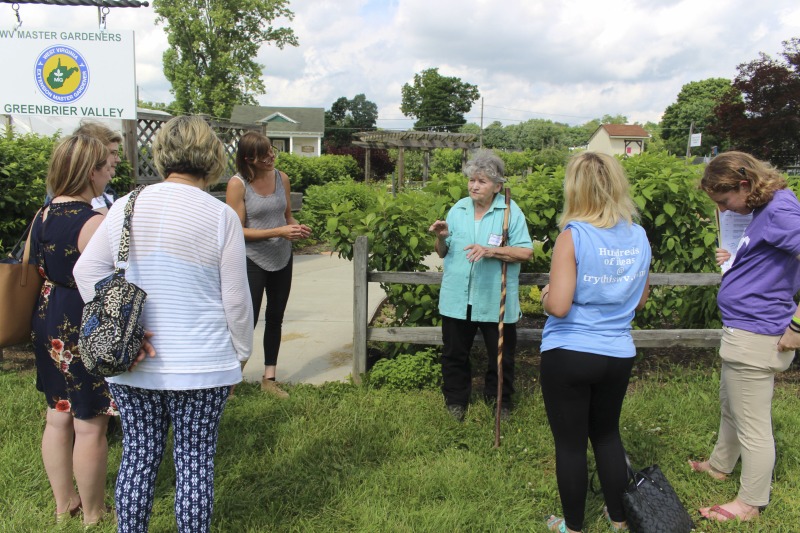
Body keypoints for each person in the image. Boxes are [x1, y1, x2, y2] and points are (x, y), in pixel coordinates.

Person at [74, 116, 253, 533]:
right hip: (203, 362)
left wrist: (121, 332)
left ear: (162, 154)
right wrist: (239, 355)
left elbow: (87, 272)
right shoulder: (220, 215)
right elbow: (236, 301)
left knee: (139, 455)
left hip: (134, 364)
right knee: (194, 463)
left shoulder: (127, 205)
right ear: (211, 156)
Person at [540, 152, 651, 533]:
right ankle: (619, 517)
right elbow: (639, 299)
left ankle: (572, 526)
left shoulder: (574, 235)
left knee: (570, 444)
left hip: (570, 351)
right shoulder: (638, 234)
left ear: (575, 189)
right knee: (606, 435)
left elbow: (558, 305)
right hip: (618, 353)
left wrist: (544, 294)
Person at [690, 151, 800, 523]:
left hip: (757, 332)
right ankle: (721, 464)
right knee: (731, 404)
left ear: (744, 184)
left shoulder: (781, 212)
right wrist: (737, 257)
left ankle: (751, 502)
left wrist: (798, 326)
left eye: (724, 201)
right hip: (744, 328)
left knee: (753, 424)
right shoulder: (767, 208)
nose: (725, 210)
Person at [29, 134, 117, 527]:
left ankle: (64, 502)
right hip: (81, 320)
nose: (110, 170)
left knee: (57, 414)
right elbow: (110, 282)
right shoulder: (92, 221)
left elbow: (32, 264)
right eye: (106, 165)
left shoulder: (42, 214)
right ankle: (94, 513)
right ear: (89, 171)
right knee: (90, 420)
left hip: (47, 315)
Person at [428, 149, 533, 422]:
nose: (474, 186)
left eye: (482, 181)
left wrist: (490, 251)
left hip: (495, 298)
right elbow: (442, 252)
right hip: (457, 297)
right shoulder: (458, 208)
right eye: (472, 180)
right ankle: (455, 402)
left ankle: (500, 402)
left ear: (497, 186)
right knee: (454, 355)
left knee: (501, 357)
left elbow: (525, 252)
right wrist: (440, 238)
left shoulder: (509, 211)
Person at [226, 131, 310, 398]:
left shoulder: (280, 178)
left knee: (275, 317)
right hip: (252, 260)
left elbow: (287, 216)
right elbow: (236, 231)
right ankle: (230, 379)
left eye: (272, 151)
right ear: (249, 158)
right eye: (265, 155)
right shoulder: (238, 184)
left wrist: (296, 229)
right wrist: (279, 231)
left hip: (282, 257)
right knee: (245, 320)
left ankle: (269, 378)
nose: (272, 157)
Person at [72, 121, 123, 213]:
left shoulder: (107, 192)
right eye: (112, 153)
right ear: (92, 154)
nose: (118, 159)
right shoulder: (65, 203)